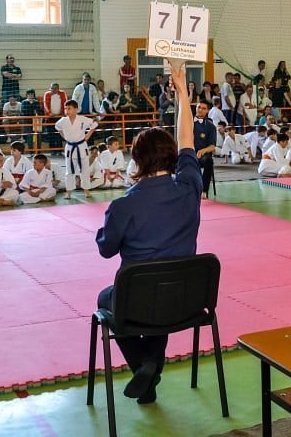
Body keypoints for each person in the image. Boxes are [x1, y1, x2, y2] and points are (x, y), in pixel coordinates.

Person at [95, 60, 201, 405]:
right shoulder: (189, 185)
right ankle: (151, 365)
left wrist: (106, 226)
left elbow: (106, 249)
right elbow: (186, 138)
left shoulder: (125, 204)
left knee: (106, 298)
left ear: (136, 161)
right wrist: (183, 91)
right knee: (165, 287)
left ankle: (144, 363)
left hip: (136, 301)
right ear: (172, 158)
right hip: (186, 298)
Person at [55, 99, 97, 199]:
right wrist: (64, 137)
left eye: (69, 108)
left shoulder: (83, 119)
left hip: (81, 146)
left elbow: (94, 124)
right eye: (65, 109)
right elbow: (57, 127)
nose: (67, 111)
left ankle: (86, 190)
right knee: (69, 170)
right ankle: (68, 191)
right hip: (70, 147)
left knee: (85, 169)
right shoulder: (63, 120)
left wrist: (87, 136)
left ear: (76, 109)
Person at [193, 99, 217, 198]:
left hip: (202, 155)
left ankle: (204, 190)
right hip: (189, 153)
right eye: (199, 107)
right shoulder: (188, 122)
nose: (200, 110)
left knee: (209, 161)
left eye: (203, 108)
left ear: (207, 111)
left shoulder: (210, 126)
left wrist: (203, 151)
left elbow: (212, 146)